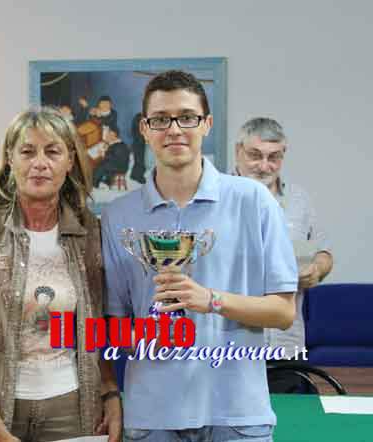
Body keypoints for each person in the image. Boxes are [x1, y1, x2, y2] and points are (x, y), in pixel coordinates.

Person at [101, 70, 298, 442]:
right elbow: (114, 325)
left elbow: (283, 312)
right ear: (144, 129)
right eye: (161, 119)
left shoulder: (253, 201)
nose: (174, 129)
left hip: (238, 415)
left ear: (206, 124)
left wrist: (211, 300)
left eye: (187, 117)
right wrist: (147, 333)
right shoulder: (117, 216)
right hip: (152, 418)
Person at [0, 107, 122, 442]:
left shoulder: (89, 231)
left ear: (70, 161)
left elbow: (95, 326)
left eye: (53, 152)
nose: (40, 163)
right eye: (28, 151)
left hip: (71, 409)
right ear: (9, 158)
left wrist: (110, 392)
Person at [234, 117, 333, 393]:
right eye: (255, 155)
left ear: (283, 155)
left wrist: (318, 269)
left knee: (287, 417)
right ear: (238, 151)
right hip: (230, 347)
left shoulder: (299, 200)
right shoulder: (215, 197)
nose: (264, 165)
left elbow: (324, 251)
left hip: (286, 346)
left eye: (274, 157)